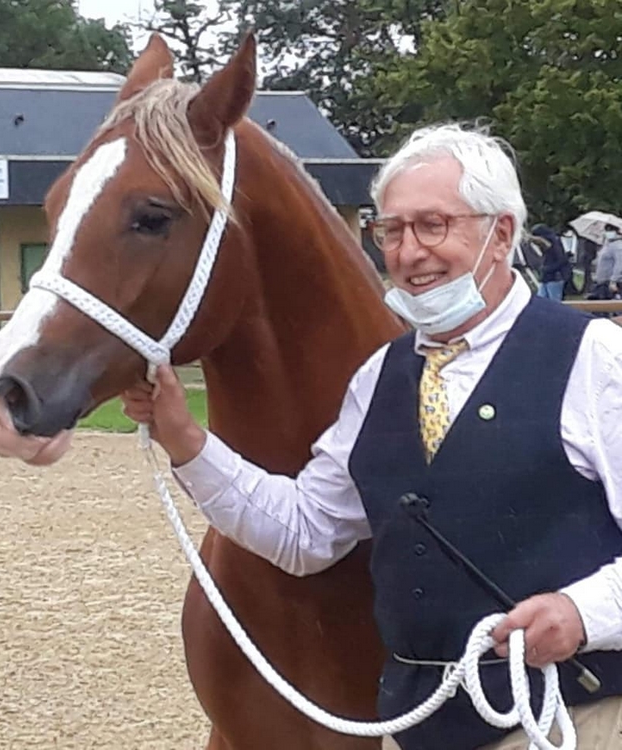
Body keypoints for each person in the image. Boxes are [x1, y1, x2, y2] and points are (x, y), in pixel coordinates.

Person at [121, 124, 622, 750]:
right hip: (417, 727)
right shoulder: (378, 379)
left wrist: (583, 613)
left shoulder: (596, 358)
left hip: (574, 719)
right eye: (392, 230)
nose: (410, 252)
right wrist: (187, 440)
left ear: (500, 233)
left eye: (434, 225)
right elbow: (305, 533)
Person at [531, 224, 571, 301]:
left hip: (555, 276)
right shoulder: (550, 243)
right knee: (541, 300)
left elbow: (561, 260)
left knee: (554, 301)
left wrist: (548, 269)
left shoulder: (555, 243)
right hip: (547, 276)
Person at [588, 225, 622, 300]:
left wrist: (614, 281)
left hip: (611, 283)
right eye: (606, 230)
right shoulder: (607, 244)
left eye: (610, 230)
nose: (608, 232)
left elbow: (620, 264)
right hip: (602, 281)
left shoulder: (618, 246)